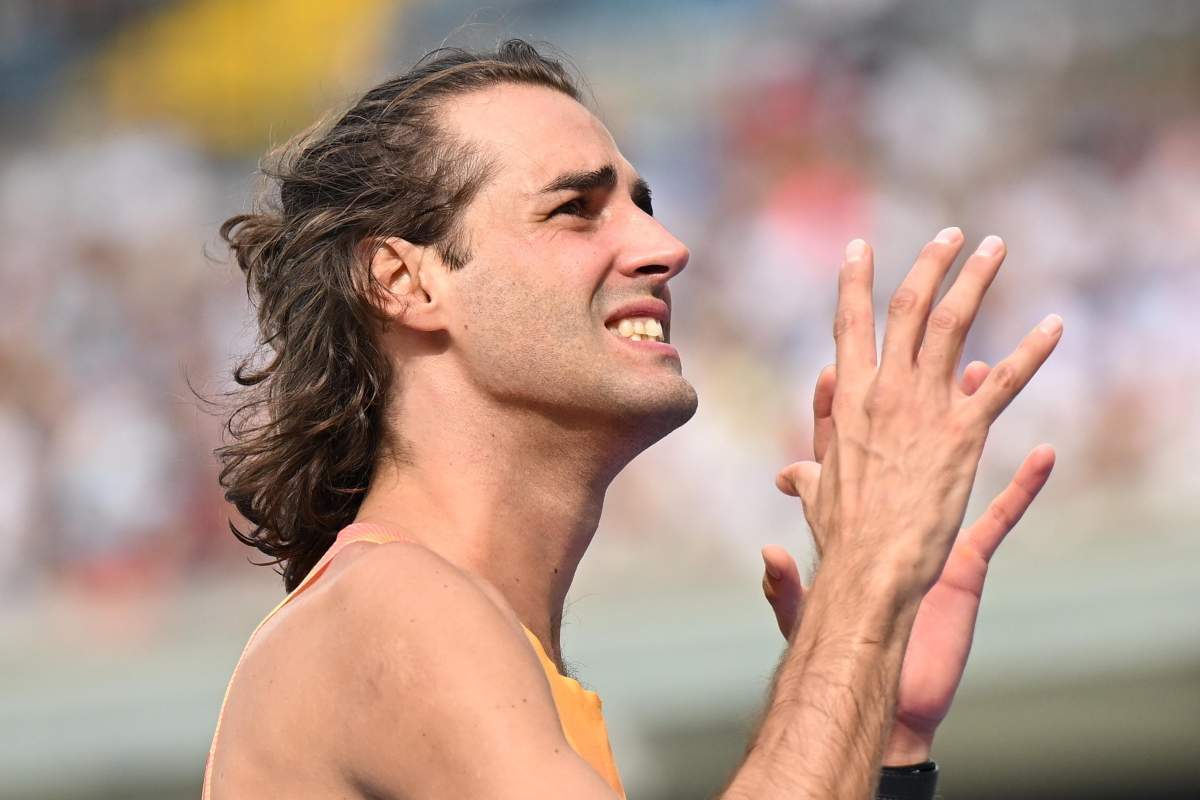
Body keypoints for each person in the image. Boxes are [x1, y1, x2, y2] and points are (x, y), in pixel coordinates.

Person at [202, 40, 1060, 799]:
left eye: (642, 203)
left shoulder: (453, 628)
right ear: (402, 281)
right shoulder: (393, 606)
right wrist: (864, 585)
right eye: (576, 208)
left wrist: (884, 738)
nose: (664, 245)